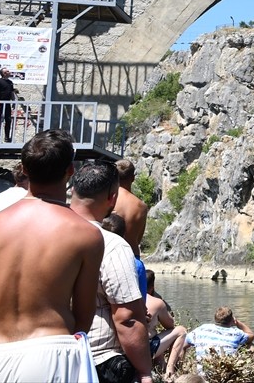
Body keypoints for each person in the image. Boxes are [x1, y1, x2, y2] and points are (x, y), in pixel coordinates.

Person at [0, 129, 104, 382]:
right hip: (52, 352)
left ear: (23, 168)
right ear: (71, 171)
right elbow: (84, 316)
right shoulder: (84, 234)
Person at [70, 161, 153, 383]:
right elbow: (127, 317)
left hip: (52, 353)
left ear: (72, 190)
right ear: (112, 198)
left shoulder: (46, 231)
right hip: (98, 357)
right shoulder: (114, 242)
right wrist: (145, 371)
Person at [145, 269, 188, 378]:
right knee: (181, 330)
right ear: (152, 286)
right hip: (146, 349)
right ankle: (170, 372)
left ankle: (160, 370)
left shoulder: (124, 300)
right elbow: (170, 325)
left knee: (156, 336)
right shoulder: (156, 302)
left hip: (125, 348)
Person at [186, 306, 254, 366]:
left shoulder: (202, 328)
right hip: (228, 373)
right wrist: (237, 322)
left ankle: (177, 370)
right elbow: (251, 335)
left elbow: (186, 340)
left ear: (215, 318)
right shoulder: (236, 333)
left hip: (202, 375)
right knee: (250, 345)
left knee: (184, 344)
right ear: (231, 320)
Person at [115, 159, 150, 257]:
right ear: (133, 178)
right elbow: (138, 238)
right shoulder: (141, 206)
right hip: (132, 256)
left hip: (110, 255)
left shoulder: (107, 200)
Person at [0, 65, 17, 142]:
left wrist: (14, 101)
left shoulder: (10, 82)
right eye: (7, 71)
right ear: (4, 73)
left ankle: (7, 137)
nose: (9, 72)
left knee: (8, 120)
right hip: (0, 103)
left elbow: (12, 93)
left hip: (7, 104)